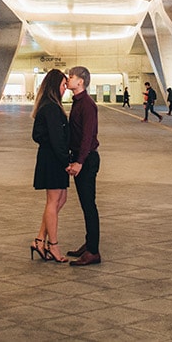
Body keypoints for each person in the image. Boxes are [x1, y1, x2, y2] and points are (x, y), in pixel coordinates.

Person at [29, 69, 70, 263]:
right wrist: (67, 161)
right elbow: (56, 139)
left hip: (52, 157)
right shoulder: (52, 108)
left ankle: (39, 239)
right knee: (53, 201)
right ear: (55, 86)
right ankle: (52, 245)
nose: (65, 89)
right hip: (53, 159)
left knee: (60, 199)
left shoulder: (48, 105)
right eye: (63, 85)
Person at [65, 66, 102, 266]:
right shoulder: (78, 102)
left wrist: (79, 162)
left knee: (89, 206)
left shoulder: (87, 105)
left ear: (81, 81)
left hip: (87, 160)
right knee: (85, 205)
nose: (68, 79)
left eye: (71, 77)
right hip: (82, 158)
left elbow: (87, 136)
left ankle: (93, 251)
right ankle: (89, 244)